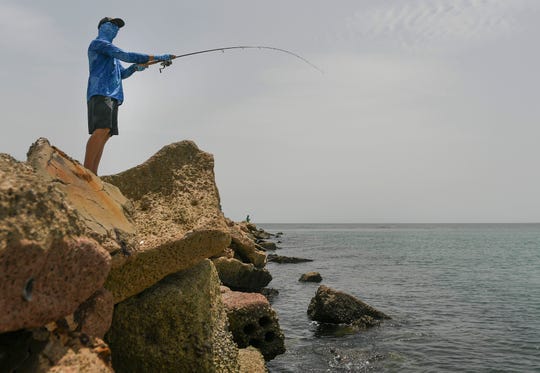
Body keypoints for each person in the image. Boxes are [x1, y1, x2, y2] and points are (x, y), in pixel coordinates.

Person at [84, 17, 173, 175]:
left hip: (113, 95)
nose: (115, 28)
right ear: (102, 27)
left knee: (107, 133)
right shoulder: (98, 44)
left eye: (116, 27)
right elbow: (125, 55)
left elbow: (122, 73)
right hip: (100, 91)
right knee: (101, 129)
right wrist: (156, 57)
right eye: (111, 25)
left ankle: (93, 173)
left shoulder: (111, 55)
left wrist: (134, 68)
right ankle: (86, 171)